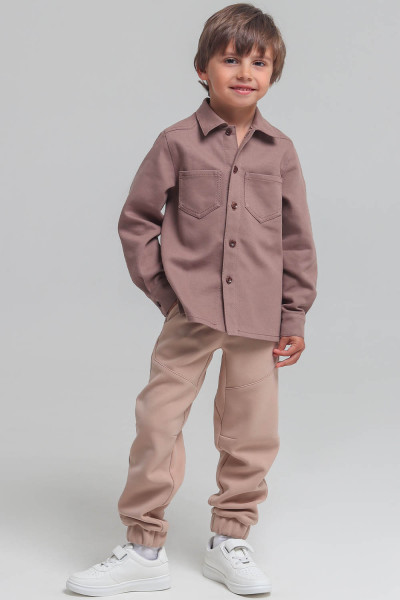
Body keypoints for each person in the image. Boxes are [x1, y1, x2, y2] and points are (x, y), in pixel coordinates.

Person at [66, 2, 318, 596]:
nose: (245, 72)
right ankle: (142, 549)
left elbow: (296, 237)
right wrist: (167, 293)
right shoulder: (176, 142)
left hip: (258, 319)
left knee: (251, 434)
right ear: (203, 69)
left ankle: (230, 541)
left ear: (273, 73)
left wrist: (294, 313)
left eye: (259, 62)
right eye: (231, 59)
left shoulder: (280, 151)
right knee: (158, 423)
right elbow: (137, 221)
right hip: (192, 315)